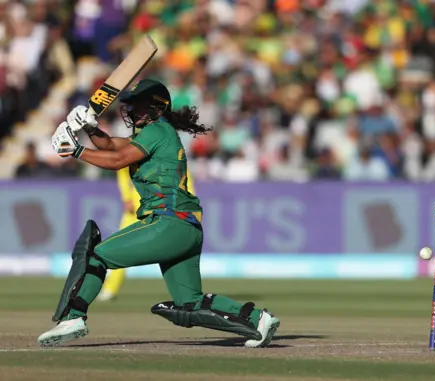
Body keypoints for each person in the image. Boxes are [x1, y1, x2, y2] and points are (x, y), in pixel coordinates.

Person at [41, 79, 279, 348]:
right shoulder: (155, 134)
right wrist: (88, 127)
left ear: (157, 107)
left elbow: (117, 161)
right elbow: (111, 147)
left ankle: (73, 317)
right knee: (190, 303)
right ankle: (259, 320)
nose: (132, 110)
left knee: (96, 255)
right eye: (131, 105)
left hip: (168, 221)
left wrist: (76, 150)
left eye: (139, 104)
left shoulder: (157, 131)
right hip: (185, 228)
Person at [97, 165, 197, 302]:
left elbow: (186, 178)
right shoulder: (138, 148)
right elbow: (122, 170)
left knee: (173, 249)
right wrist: (126, 197)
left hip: (165, 209)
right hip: (137, 208)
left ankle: (186, 291)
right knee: (121, 247)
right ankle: (110, 289)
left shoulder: (171, 153)